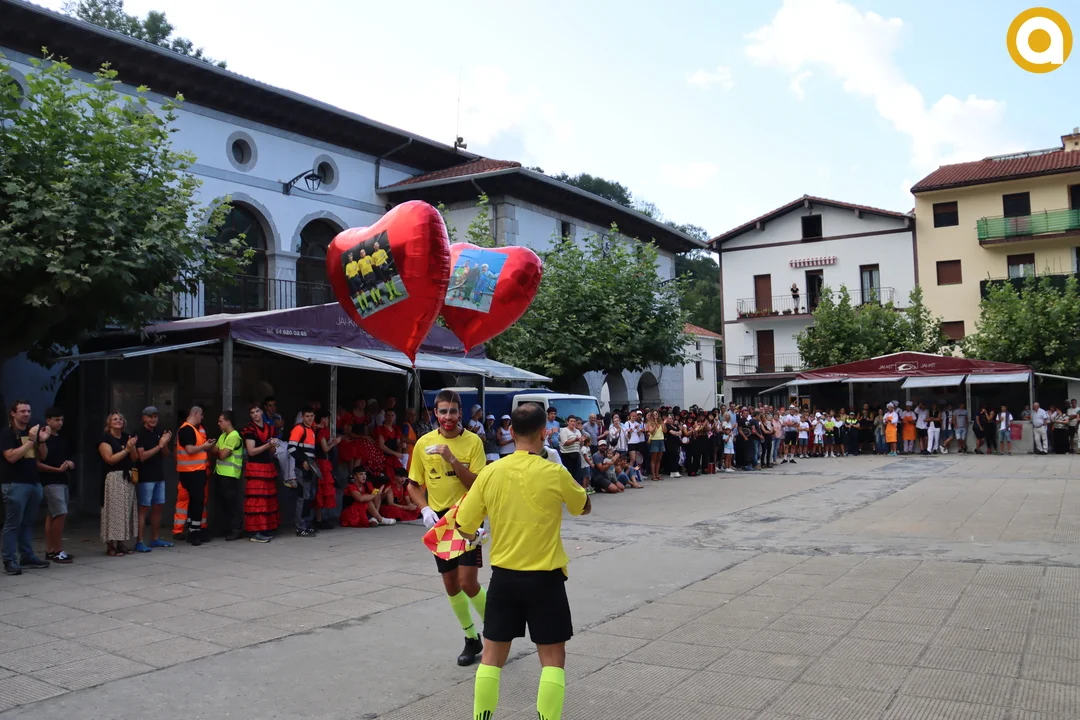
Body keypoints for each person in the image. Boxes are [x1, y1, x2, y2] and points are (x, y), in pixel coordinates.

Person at [456, 402, 591, 720]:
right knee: (553, 659)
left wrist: (479, 531)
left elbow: (463, 524)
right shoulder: (554, 471)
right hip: (546, 578)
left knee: (491, 657)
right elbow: (582, 506)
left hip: (504, 578)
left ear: (512, 432)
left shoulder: (491, 473)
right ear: (544, 432)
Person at [407, 389, 488, 666]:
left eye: (453, 411)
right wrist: (424, 509)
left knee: (468, 582)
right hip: (440, 521)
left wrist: (451, 458)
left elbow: (477, 484)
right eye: (443, 411)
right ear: (435, 413)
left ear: (460, 413)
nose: (448, 417)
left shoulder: (473, 442)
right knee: (451, 583)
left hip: (467, 517)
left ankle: (495, 629)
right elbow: (413, 484)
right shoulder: (423, 443)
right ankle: (471, 638)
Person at [2, 400, 51, 574]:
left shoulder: (32, 432)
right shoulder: (7, 433)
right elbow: (11, 457)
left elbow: (42, 457)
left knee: (27, 523)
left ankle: (27, 556)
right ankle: (9, 560)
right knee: (12, 524)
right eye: (22, 411)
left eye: (29, 411)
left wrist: (42, 441)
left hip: (33, 482)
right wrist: (31, 440)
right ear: (13, 413)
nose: (26, 414)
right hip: (15, 483)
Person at [98, 412, 139, 557]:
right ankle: (111, 546)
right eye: (115, 419)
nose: (118, 421)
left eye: (121, 419)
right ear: (109, 423)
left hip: (127, 478)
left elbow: (134, 458)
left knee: (125, 511)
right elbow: (110, 459)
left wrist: (132, 447)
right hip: (113, 478)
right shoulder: (105, 440)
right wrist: (126, 449)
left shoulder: (127, 437)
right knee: (113, 511)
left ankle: (121, 543)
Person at [37, 407, 75, 563]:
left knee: (52, 514)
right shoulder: (42, 438)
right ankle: (58, 550)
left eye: (61, 420)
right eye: (56, 420)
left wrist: (70, 464)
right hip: (51, 481)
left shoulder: (62, 439)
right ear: (48, 420)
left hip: (62, 480)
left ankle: (51, 550)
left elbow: (66, 458)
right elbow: (38, 462)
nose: (60, 423)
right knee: (60, 514)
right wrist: (56, 470)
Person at [134, 406, 174, 552]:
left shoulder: (159, 432)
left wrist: (165, 444)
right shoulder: (139, 433)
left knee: (158, 506)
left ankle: (155, 538)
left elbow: (166, 454)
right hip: (146, 476)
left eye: (156, 416)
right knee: (144, 508)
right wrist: (159, 445)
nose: (154, 419)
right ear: (143, 418)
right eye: (150, 416)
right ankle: (139, 541)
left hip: (159, 475)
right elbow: (142, 456)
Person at [175, 406, 216, 545]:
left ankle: (194, 529)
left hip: (193, 470)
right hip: (192, 472)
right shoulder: (187, 429)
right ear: (196, 413)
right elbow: (190, 449)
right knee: (197, 501)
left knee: (195, 502)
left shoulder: (191, 429)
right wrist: (205, 446)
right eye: (201, 415)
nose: (202, 418)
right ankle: (194, 532)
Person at [242, 403, 280, 543]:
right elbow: (251, 451)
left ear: (262, 412)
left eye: (257, 411)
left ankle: (265, 528)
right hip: (255, 467)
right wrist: (268, 445)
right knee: (257, 501)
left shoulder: (270, 428)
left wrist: (273, 446)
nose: (255, 414)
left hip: (267, 466)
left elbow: (272, 451)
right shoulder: (250, 429)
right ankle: (256, 532)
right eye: (252, 412)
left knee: (268, 499)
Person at [213, 411, 245, 541]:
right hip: (220, 472)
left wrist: (219, 451)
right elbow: (213, 451)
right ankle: (224, 529)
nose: (218, 423)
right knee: (222, 503)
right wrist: (218, 451)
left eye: (220, 421)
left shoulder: (234, 436)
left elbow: (221, 455)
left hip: (230, 474)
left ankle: (236, 529)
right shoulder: (223, 435)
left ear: (228, 422)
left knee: (232, 503)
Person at [289, 407, 320, 537]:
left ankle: (306, 524)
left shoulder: (311, 430)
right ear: (302, 417)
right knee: (303, 498)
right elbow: (291, 448)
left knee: (308, 498)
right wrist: (303, 461)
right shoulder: (299, 429)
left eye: (312, 416)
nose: (310, 418)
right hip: (302, 469)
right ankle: (300, 527)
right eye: (307, 416)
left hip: (310, 468)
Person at [314, 410, 342, 530]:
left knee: (320, 491)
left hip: (318, 461)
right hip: (321, 463)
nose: (328, 421)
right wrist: (334, 443)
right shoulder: (322, 431)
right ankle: (319, 519)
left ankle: (319, 518)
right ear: (322, 419)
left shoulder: (315, 429)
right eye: (327, 418)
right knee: (321, 491)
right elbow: (325, 449)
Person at [557, 416, 584, 487]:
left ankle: (577, 489)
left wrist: (581, 441)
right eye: (571, 421)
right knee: (568, 474)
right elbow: (564, 443)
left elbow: (580, 445)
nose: (573, 423)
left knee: (577, 474)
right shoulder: (564, 430)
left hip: (576, 454)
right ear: (567, 422)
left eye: (574, 421)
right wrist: (575, 440)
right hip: (567, 455)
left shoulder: (578, 431)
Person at [646, 411, 664, 481]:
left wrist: (662, 424)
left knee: (659, 459)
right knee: (654, 459)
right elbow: (651, 431)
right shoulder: (650, 422)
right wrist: (655, 424)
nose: (655, 415)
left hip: (661, 440)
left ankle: (657, 474)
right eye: (654, 414)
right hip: (654, 440)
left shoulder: (661, 422)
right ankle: (653, 475)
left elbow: (665, 431)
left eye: (656, 414)